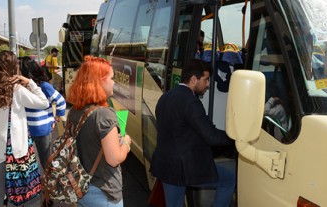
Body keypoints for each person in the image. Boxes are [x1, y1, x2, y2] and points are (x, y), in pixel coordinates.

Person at [150, 59, 235, 207]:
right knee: (228, 180)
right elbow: (212, 136)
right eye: (206, 79)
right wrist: (235, 137)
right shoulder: (191, 101)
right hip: (185, 168)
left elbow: (175, 129)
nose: (208, 84)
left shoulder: (165, 97)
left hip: (164, 164)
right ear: (194, 79)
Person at [0, 51, 49, 206]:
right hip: (17, 153)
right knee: (21, 195)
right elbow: (44, 103)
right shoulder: (16, 89)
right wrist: (29, 82)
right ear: (13, 68)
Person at [66, 56, 132, 207]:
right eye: (111, 78)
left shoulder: (75, 111)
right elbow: (114, 159)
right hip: (103, 194)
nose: (114, 82)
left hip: (80, 187)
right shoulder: (104, 114)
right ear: (101, 81)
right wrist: (126, 143)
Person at [19, 56, 66, 170]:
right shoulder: (19, 87)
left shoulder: (43, 86)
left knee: (46, 161)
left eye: (18, 70)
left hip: (42, 129)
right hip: (25, 130)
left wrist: (56, 119)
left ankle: (48, 184)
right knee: (31, 162)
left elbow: (60, 101)